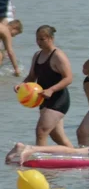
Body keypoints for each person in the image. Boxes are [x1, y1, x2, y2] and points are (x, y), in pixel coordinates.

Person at [10, 25, 73, 159]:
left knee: (41, 132)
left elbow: (69, 78)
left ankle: (40, 161)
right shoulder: (37, 55)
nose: (39, 42)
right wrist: (22, 84)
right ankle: (76, 155)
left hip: (58, 99)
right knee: (57, 136)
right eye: (37, 39)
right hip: (43, 99)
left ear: (51, 38)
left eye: (42, 39)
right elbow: (32, 77)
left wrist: (51, 89)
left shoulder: (58, 55)